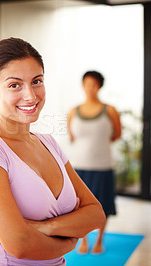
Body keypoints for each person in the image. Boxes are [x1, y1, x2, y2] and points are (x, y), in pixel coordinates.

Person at [0, 37, 106, 265]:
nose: (30, 95)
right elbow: (20, 245)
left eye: (36, 81)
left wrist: (45, 227)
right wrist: (70, 240)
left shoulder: (48, 143)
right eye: (14, 85)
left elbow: (96, 213)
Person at [67, 70, 121, 254]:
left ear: (99, 87)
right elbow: (72, 136)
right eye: (87, 84)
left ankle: (99, 240)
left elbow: (117, 134)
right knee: (80, 206)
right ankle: (83, 241)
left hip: (103, 166)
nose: (90, 88)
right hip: (79, 167)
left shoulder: (110, 110)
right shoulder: (73, 112)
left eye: (94, 84)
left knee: (103, 205)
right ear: (83, 86)